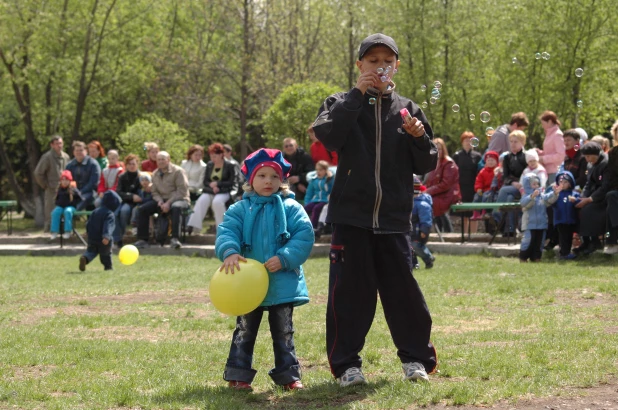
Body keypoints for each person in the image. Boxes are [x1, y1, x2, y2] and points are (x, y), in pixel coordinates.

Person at [313, 33, 438, 387]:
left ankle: (415, 360)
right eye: (372, 60)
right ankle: (347, 366)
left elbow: (427, 161)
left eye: (387, 60)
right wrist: (357, 95)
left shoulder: (409, 109)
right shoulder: (339, 102)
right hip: (351, 218)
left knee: (405, 294)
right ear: (359, 65)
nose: (380, 66)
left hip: (394, 218)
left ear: (396, 65)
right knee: (350, 295)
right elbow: (330, 138)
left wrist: (418, 137)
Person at [215, 148, 314, 391]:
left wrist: (285, 257)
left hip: (282, 282)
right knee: (245, 330)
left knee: (284, 332)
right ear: (251, 180)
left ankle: (288, 376)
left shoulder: (291, 207)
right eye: (262, 176)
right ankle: (238, 375)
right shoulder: (239, 209)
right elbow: (227, 231)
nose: (268, 181)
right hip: (246, 287)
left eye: (274, 176)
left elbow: (304, 235)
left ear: (282, 181)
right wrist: (230, 251)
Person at [133, 151, 190, 249]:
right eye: (158, 159)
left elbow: (181, 191)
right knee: (142, 209)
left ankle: (175, 239)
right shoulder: (155, 174)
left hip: (180, 199)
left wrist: (168, 203)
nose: (160, 161)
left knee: (175, 207)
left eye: (163, 159)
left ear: (168, 160)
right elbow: (154, 192)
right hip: (162, 201)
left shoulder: (178, 171)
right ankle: (143, 240)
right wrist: (160, 201)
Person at [187, 143, 237, 235]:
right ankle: (194, 228)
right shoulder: (209, 165)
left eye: (214, 156)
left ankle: (223, 229)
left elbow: (231, 182)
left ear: (221, 155)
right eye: (211, 156)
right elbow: (205, 181)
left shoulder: (230, 165)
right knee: (201, 201)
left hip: (224, 191)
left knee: (217, 202)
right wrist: (212, 186)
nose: (212, 159)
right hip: (210, 191)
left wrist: (218, 184)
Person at [573, 142, 610, 256]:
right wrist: (583, 197)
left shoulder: (606, 164)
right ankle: (586, 241)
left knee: (588, 210)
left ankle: (594, 241)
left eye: (588, 156)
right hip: (593, 195)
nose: (587, 159)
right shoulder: (590, 164)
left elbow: (605, 186)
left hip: (604, 197)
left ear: (596, 154)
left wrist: (589, 199)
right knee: (574, 208)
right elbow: (589, 183)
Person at [492, 130, 528, 237]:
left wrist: (519, 183)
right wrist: (513, 183)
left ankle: (496, 214)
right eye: (511, 141)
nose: (512, 144)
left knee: (503, 190)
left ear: (522, 142)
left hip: (523, 187)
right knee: (509, 199)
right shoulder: (507, 157)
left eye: (515, 142)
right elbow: (505, 176)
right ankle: (510, 229)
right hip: (511, 187)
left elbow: (529, 173)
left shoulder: (527, 156)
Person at [34, 135, 71, 232]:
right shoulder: (47, 157)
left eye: (61, 143)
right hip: (52, 189)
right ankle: (49, 234)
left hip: (65, 190)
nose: (59, 146)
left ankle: (64, 232)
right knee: (51, 213)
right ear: (52, 145)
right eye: (57, 144)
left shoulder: (66, 156)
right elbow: (38, 173)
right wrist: (45, 185)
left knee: (64, 212)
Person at [425, 137, 461, 233]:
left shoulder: (448, 163)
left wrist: (428, 191)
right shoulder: (434, 163)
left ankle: (448, 232)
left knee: (434, 203)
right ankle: (437, 231)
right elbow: (429, 182)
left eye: (439, 148)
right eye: (435, 148)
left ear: (443, 149)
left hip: (449, 194)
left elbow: (446, 184)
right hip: (438, 194)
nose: (437, 151)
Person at [79, 191, 120, 272]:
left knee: (91, 251)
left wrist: (88, 232)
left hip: (92, 237)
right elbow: (108, 225)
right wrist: (106, 236)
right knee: (106, 254)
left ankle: (85, 258)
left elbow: (88, 223)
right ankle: (108, 267)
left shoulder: (95, 211)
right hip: (103, 239)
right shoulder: (110, 214)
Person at [519, 174, 553, 262]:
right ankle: (523, 257)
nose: (536, 186)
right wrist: (531, 196)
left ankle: (536, 257)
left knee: (539, 242)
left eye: (537, 184)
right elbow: (523, 202)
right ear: (527, 185)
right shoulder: (526, 195)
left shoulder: (542, 195)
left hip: (541, 224)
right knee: (528, 241)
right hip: (529, 224)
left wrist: (555, 192)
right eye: (533, 184)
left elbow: (548, 197)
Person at [452, 131, 482, 233]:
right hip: (461, 187)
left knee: (474, 212)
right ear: (462, 142)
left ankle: (474, 235)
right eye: (465, 140)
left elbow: (480, 172)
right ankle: (464, 235)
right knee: (464, 213)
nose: (468, 142)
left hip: (474, 187)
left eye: (470, 140)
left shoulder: (477, 156)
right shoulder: (457, 156)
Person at [545, 171, 579, 260]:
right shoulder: (556, 194)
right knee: (563, 237)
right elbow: (549, 201)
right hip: (560, 219)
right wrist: (554, 193)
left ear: (571, 183)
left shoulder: (574, 194)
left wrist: (575, 200)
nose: (563, 184)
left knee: (569, 237)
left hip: (571, 219)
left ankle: (566, 252)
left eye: (565, 182)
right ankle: (564, 253)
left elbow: (579, 201)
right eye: (561, 182)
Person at [113, 154, 142, 248]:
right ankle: (119, 238)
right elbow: (119, 192)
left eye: (133, 164)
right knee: (118, 213)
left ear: (137, 164)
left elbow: (144, 190)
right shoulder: (122, 177)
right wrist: (131, 196)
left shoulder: (141, 176)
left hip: (139, 202)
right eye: (129, 164)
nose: (132, 166)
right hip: (126, 202)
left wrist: (137, 197)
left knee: (129, 211)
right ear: (126, 165)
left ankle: (124, 236)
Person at [65, 141, 101, 211]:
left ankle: (71, 214)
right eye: (76, 150)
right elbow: (66, 180)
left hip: (90, 193)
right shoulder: (70, 165)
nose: (79, 152)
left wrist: (80, 192)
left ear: (86, 151)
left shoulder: (93, 164)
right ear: (73, 152)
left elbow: (93, 183)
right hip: (73, 192)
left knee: (76, 206)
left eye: (81, 150)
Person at [411, 177, 435, 269]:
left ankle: (428, 258)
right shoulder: (410, 202)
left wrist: (424, 231)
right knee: (410, 247)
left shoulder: (422, 205)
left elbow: (426, 219)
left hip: (419, 231)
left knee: (417, 246)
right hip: (411, 230)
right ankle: (413, 264)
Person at [535, 111, 565, 186]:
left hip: (555, 171)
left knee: (552, 195)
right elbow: (551, 151)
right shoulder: (550, 134)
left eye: (543, 123)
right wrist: (540, 153)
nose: (542, 126)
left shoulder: (557, 135)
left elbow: (560, 155)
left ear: (550, 121)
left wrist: (543, 159)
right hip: (548, 170)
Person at [49, 170, 80, 240]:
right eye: (63, 180)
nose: (65, 182)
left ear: (70, 180)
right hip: (60, 207)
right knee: (55, 212)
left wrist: (76, 203)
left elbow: (80, 198)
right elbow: (57, 199)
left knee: (67, 212)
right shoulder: (59, 189)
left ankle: (67, 231)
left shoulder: (73, 189)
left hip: (70, 207)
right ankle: (54, 231)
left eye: (66, 180)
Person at [304, 160, 334, 233]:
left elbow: (332, 190)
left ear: (326, 170)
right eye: (317, 170)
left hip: (325, 200)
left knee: (316, 208)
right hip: (315, 200)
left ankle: (313, 227)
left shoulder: (329, 179)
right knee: (306, 208)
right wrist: (307, 202)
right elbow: (309, 193)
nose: (318, 172)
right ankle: (302, 226)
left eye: (320, 170)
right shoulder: (314, 180)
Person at [471, 150, 499, 220]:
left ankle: (484, 212)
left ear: (496, 162)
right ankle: (476, 213)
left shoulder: (497, 171)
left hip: (492, 190)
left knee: (486, 196)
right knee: (476, 197)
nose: (490, 162)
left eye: (492, 160)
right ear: (486, 161)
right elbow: (478, 181)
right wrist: (478, 188)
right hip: (483, 190)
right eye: (488, 160)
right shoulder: (482, 171)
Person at [604, 140, 618, 255]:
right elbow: (610, 176)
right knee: (611, 197)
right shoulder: (612, 153)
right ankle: (612, 243)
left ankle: (613, 241)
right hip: (616, 190)